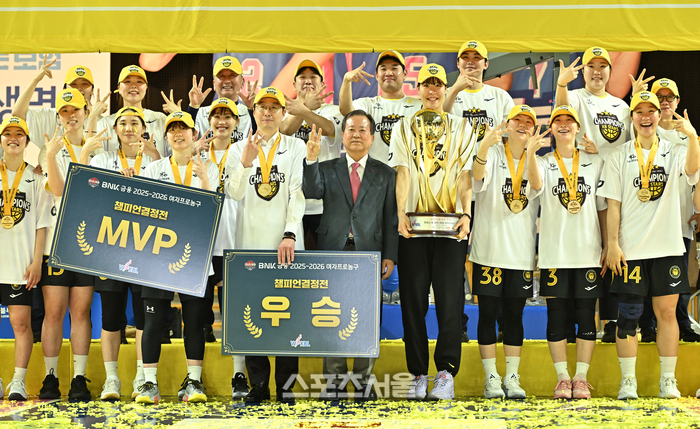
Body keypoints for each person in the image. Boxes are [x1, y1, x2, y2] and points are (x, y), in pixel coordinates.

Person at [599, 91, 699, 400]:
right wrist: (612, 244)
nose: (646, 117)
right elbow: (613, 205)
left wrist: (692, 137)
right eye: (639, 112)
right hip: (630, 250)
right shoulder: (617, 156)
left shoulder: (674, 150)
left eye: (651, 111)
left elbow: (693, 172)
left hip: (667, 247)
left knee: (667, 314)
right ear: (632, 118)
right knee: (628, 316)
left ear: (659, 115)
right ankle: (628, 380)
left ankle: (667, 379)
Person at [388, 64, 474, 400]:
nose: (433, 90)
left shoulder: (462, 127)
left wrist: (466, 213)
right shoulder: (403, 127)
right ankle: (418, 374)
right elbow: (402, 172)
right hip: (414, 227)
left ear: (445, 90)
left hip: (450, 227)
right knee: (412, 303)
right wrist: (400, 213)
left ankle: (446, 373)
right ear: (419, 89)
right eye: (427, 84)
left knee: (450, 301)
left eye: (439, 84)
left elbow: (465, 176)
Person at [303, 110, 398, 401]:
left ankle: (362, 381)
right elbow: (311, 190)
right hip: (332, 250)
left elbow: (391, 218)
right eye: (351, 129)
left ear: (372, 137)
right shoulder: (327, 167)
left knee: (367, 317)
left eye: (362, 130)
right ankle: (334, 381)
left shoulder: (386, 173)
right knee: (331, 314)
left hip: (369, 254)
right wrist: (311, 159)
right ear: (342, 136)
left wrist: (390, 255)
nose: (356, 135)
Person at [225, 87, 306, 404]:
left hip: (286, 244)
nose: (268, 112)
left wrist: (290, 233)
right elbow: (234, 194)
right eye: (263, 107)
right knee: (254, 315)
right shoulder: (238, 149)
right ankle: (258, 383)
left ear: (284, 113)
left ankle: (287, 385)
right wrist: (245, 163)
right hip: (249, 244)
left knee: (289, 314)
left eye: (275, 107)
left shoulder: (295, 146)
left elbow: (296, 192)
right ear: (254, 111)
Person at [135, 111, 219, 404]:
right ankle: (149, 384)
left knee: (194, 322)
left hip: (196, 255)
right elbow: (142, 210)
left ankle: (194, 382)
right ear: (166, 136)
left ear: (194, 134)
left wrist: (205, 180)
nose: (178, 133)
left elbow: (212, 211)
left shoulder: (208, 167)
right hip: (157, 255)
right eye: (172, 129)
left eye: (184, 128)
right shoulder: (153, 169)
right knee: (152, 321)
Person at [555, 46, 633, 342]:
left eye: (603, 66)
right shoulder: (575, 97)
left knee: (613, 251)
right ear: (584, 71)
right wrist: (562, 84)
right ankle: (576, 323)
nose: (597, 71)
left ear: (611, 71)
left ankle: (612, 321)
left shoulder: (621, 107)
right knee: (586, 253)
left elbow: (629, 147)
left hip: (615, 190)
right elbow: (562, 112)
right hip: (581, 187)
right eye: (591, 66)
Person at [528, 105, 606, 399]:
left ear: (577, 127)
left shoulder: (594, 161)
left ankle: (581, 378)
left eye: (568, 121)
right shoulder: (544, 162)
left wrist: (608, 244)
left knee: (586, 315)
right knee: (556, 316)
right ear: (551, 128)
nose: (563, 125)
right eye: (557, 121)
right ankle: (562, 377)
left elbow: (602, 207)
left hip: (587, 251)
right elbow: (535, 186)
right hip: (554, 253)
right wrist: (531, 154)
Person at [38, 88, 111, 400]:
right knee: (54, 313)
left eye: (76, 110)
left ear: (85, 112)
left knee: (81, 313)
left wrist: (84, 156)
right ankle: (51, 377)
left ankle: (79, 378)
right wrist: (51, 157)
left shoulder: (99, 149)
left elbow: (92, 193)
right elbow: (58, 189)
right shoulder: (52, 148)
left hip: (87, 246)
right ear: (59, 116)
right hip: (56, 244)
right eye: (64, 111)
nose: (71, 116)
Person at [468, 105, 544, 399]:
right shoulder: (493, 154)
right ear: (507, 125)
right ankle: (491, 377)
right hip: (488, 251)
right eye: (517, 120)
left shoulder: (538, 160)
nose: (523, 125)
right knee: (486, 315)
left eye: (529, 121)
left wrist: (531, 154)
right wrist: (483, 146)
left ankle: (512, 377)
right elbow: (476, 178)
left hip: (520, 254)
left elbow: (536, 186)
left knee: (514, 317)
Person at [88, 106, 158, 400]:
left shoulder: (156, 162)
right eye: (123, 123)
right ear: (115, 129)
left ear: (144, 128)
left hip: (146, 249)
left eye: (135, 123)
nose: (129, 128)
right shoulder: (102, 160)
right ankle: (112, 379)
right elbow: (91, 194)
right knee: (110, 317)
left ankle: (142, 378)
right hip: (111, 247)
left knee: (143, 318)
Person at [199, 97, 250, 399]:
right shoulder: (196, 152)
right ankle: (195, 377)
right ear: (208, 122)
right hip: (203, 244)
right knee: (199, 317)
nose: (221, 121)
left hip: (235, 241)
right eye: (216, 116)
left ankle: (238, 374)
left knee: (235, 313)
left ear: (237, 122)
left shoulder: (245, 151)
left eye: (227, 116)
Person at [0, 116, 53, 400]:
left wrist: (36, 261)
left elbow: (41, 224)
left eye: (19, 134)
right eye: (7, 133)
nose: (13, 138)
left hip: (20, 265)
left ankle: (18, 381)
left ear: (27, 141)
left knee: (21, 324)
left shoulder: (36, 177)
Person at [648, 78, 700, 343]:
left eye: (670, 97)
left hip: (679, 219)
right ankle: (647, 326)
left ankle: (683, 324)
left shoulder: (689, 135)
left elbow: (698, 174)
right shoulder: (644, 131)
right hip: (647, 221)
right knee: (648, 277)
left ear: (678, 101)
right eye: (660, 97)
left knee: (678, 277)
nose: (665, 101)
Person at [280, 59, 342, 248]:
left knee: (326, 260)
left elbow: (329, 128)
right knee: (290, 260)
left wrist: (303, 109)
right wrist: (303, 107)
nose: (308, 81)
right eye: (302, 77)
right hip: (291, 203)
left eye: (313, 77)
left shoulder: (334, 110)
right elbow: (285, 130)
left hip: (324, 203)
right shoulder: (285, 114)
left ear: (322, 84)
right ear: (294, 84)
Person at [339, 50, 421, 164]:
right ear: (377, 75)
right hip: (376, 173)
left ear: (405, 74)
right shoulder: (368, 104)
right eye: (383, 69)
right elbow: (346, 111)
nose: (388, 73)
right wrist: (346, 81)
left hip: (409, 173)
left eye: (394, 68)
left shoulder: (419, 107)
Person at [443, 40, 515, 143]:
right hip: (457, 154)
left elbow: (509, 138)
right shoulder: (445, 94)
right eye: (465, 57)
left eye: (476, 57)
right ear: (458, 63)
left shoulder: (501, 96)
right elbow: (438, 126)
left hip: (492, 153)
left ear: (486, 64)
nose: (470, 61)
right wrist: (454, 90)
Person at [95, 65, 168, 157]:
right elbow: (94, 156)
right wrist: (93, 117)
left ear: (146, 88)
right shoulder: (105, 123)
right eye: (127, 81)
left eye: (139, 82)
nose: (133, 86)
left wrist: (179, 116)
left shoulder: (160, 119)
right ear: (119, 88)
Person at [189, 56, 254, 145]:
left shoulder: (249, 113)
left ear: (242, 82)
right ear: (214, 84)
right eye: (221, 76)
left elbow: (260, 141)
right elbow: (187, 141)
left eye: (232, 75)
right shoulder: (201, 113)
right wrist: (193, 107)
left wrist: (252, 110)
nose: (227, 81)